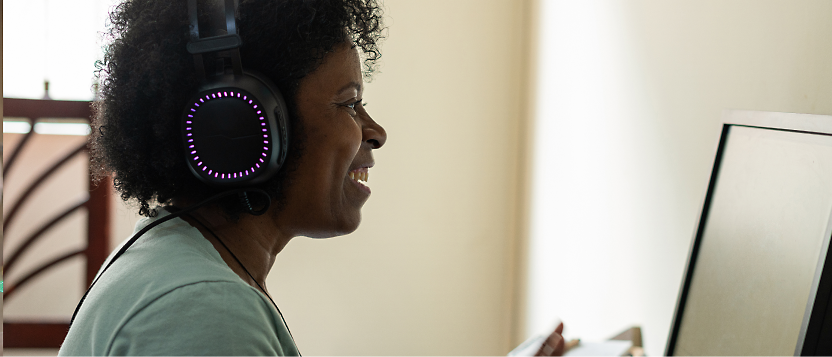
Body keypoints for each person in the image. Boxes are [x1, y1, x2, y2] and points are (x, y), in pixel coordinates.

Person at [59, 0, 565, 356]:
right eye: (348, 103)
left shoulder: (180, 266)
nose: (377, 132)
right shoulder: (202, 309)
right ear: (240, 127)